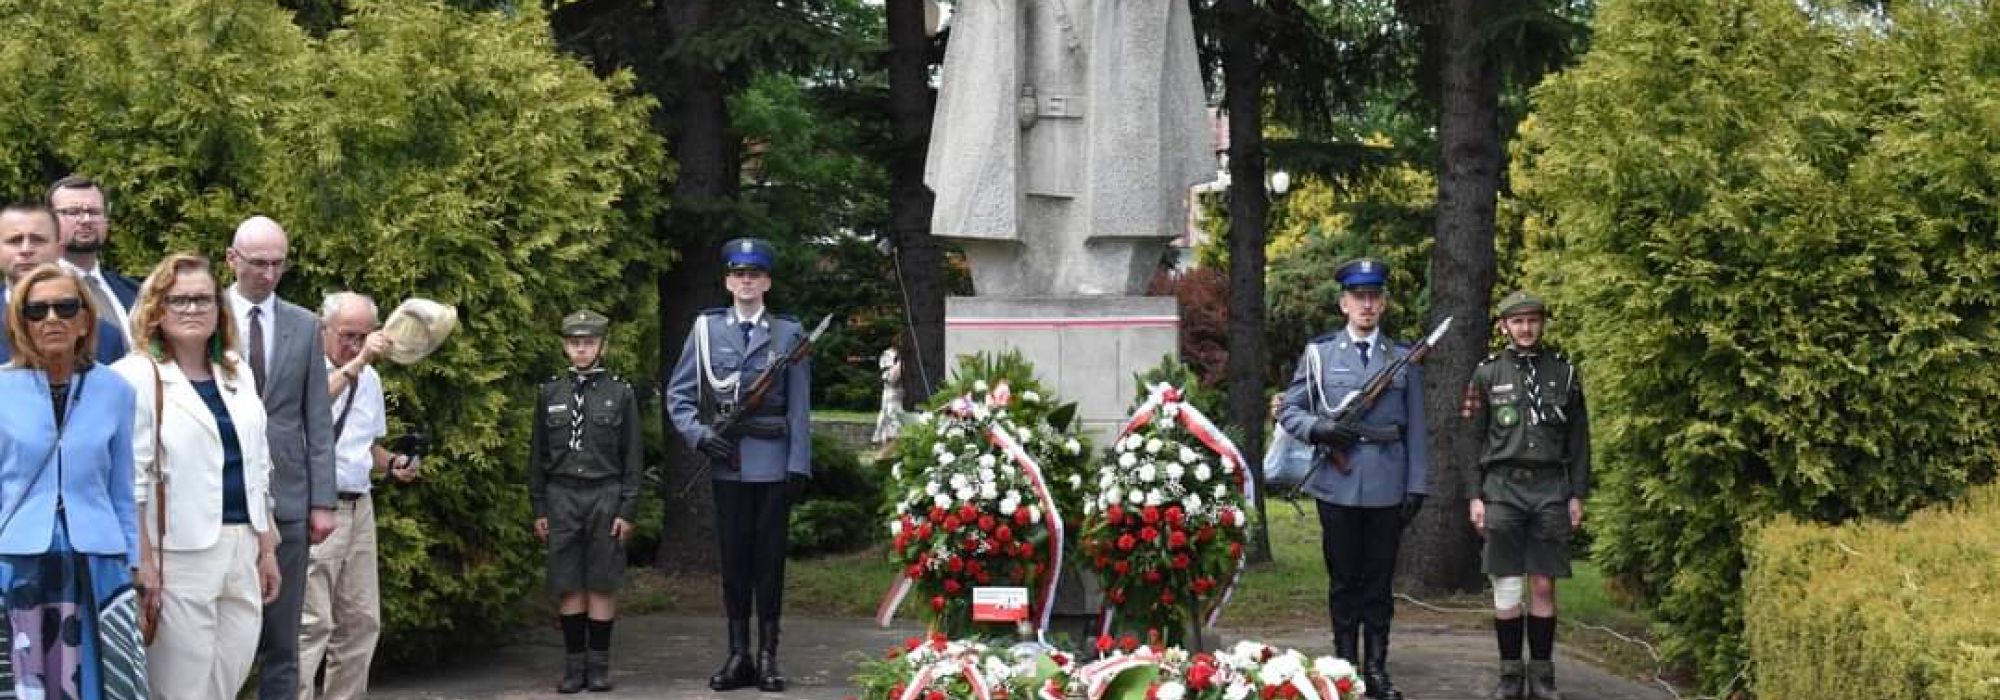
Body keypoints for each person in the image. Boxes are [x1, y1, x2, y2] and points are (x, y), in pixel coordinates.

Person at [113, 253, 282, 700]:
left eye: (203, 300)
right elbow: (131, 479)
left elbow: (257, 462)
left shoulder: (235, 369)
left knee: (230, 673)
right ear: (156, 307)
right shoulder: (135, 376)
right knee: (181, 686)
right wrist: (143, 562)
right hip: (177, 554)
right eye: (179, 299)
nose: (192, 309)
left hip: (242, 544)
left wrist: (266, 545)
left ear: (219, 308)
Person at [1277, 257, 1428, 700]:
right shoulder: (1320, 354)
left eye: (1373, 297)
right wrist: (1318, 428)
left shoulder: (1402, 359)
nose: (1366, 305)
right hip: (1337, 482)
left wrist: (1417, 483)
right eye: (1358, 297)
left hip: (1387, 481)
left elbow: (1417, 427)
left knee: (1379, 583)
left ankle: (1377, 670)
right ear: (1343, 303)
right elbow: (1290, 408)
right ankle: (1343, 670)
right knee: (1343, 580)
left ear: (1382, 304)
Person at [667, 238, 811, 693]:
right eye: (738, 274)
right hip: (728, 463)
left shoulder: (789, 333)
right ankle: (737, 655)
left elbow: (800, 408)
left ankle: (768, 657)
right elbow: (679, 394)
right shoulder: (706, 330)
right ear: (728, 281)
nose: (746, 281)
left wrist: (798, 465)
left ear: (767, 281)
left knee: (769, 566)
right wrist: (699, 434)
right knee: (734, 565)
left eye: (754, 274)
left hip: (773, 464)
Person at [0, 263, 145, 699]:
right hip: (17, 561)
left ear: (86, 318)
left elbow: (122, 488)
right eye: (36, 310)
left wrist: (133, 563)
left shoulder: (116, 391)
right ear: (20, 322)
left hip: (98, 565)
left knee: (97, 683)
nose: (52, 319)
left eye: (65, 307)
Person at [227, 216, 336, 700]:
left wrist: (323, 501)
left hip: (290, 498)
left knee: (282, 640)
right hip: (224, 495)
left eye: (278, 264)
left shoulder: (305, 324)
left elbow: (318, 419)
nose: (268, 275)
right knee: (221, 637)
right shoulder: (208, 317)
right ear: (233, 260)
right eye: (257, 264)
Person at [1462, 291, 1591, 700]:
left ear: (1542, 323)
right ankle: (1510, 674)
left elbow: (1579, 439)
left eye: (1533, 320)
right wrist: (1474, 496)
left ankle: (1542, 674)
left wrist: (1577, 494)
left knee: (1542, 586)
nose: (1526, 328)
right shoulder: (1486, 373)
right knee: (1506, 585)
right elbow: (1470, 438)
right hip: (1502, 488)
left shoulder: (1564, 372)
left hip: (1551, 489)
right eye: (1517, 322)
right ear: (1504, 327)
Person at [297, 292, 421, 700]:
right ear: (323, 329)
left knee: (362, 621)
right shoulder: (307, 368)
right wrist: (360, 360)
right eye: (348, 335)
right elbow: (314, 407)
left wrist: (394, 463)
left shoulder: (370, 379)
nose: (356, 343)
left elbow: (364, 446)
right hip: (317, 506)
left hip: (359, 505)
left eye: (365, 335)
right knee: (311, 624)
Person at [529, 310, 642, 693]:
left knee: (602, 581)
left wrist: (627, 509)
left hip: (605, 493)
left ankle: (599, 666)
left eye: (589, 342)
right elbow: (537, 457)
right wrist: (539, 508)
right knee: (568, 581)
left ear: (602, 346)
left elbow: (633, 457)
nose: (582, 348)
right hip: (561, 496)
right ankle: (573, 666)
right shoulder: (550, 392)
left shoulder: (621, 393)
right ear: (564, 346)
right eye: (575, 342)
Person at [0, 201, 129, 365]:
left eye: (38, 240)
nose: (26, 249)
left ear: (59, 250)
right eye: (15, 240)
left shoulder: (104, 336)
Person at [49, 175, 141, 344]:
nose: (86, 220)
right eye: (73, 212)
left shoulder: (134, 291)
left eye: (94, 212)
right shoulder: (32, 294)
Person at [870, 344, 903, 447]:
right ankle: (880, 438)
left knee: (888, 413)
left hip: (896, 389)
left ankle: (879, 438)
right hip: (892, 389)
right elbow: (888, 376)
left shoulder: (900, 355)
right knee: (889, 412)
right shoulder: (889, 354)